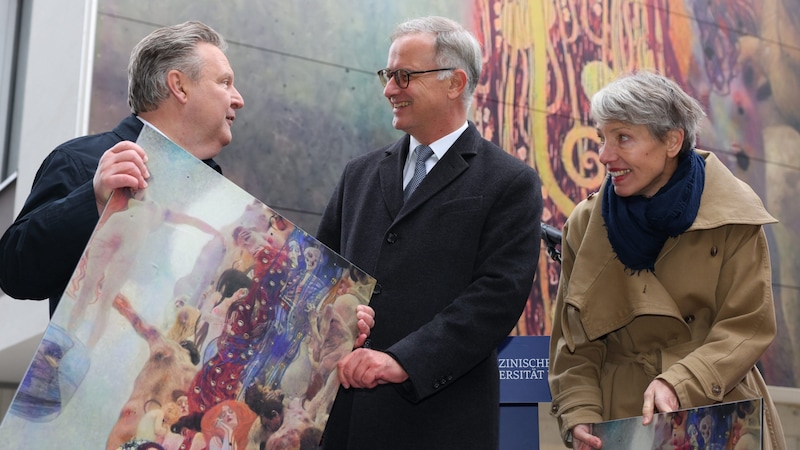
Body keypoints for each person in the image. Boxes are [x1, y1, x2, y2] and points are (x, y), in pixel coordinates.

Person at [0, 20, 374, 339]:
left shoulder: (220, 195)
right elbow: (15, 274)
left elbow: (237, 306)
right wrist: (93, 200)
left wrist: (330, 318)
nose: (238, 99)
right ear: (179, 86)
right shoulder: (83, 161)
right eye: (225, 82)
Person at [316, 15, 543, 450]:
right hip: (345, 421)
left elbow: (496, 297)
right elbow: (323, 275)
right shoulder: (358, 174)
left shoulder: (510, 182)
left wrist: (403, 360)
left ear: (455, 83)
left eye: (403, 76)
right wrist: (341, 311)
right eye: (387, 75)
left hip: (441, 422)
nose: (388, 89)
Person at [547, 71, 786, 450]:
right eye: (602, 139)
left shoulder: (734, 214)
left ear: (672, 140)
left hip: (720, 409)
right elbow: (574, 344)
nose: (605, 156)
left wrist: (680, 382)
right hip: (622, 421)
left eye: (623, 137)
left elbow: (747, 326)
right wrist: (578, 412)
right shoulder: (586, 224)